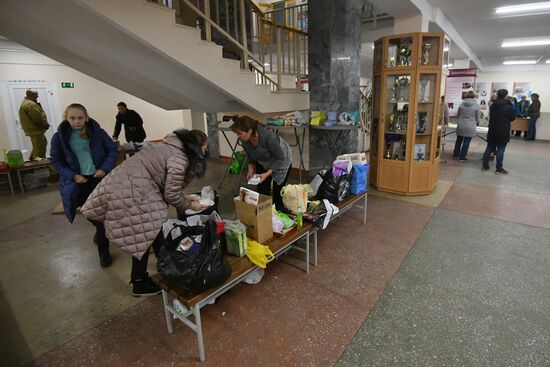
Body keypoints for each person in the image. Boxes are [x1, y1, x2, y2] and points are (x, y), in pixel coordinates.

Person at [81, 129, 209, 296]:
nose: (206, 151)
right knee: (143, 235)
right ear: (197, 146)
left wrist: (185, 197)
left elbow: (165, 182)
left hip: (125, 184)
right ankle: (139, 282)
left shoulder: (169, 146)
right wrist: (189, 205)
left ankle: (166, 265)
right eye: (205, 147)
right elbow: (170, 194)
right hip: (136, 191)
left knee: (152, 229)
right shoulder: (181, 159)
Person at [50, 103, 118, 267]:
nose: (76, 121)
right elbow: (56, 161)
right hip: (78, 182)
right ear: (66, 118)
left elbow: (112, 151)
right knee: (89, 213)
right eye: (72, 118)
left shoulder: (98, 133)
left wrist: (104, 168)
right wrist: (73, 175)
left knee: (101, 217)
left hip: (98, 179)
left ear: (86, 117)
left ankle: (104, 252)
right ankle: (99, 230)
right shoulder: (59, 138)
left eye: (80, 118)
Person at [231, 116, 292, 211]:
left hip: (281, 159)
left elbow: (280, 158)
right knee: (262, 189)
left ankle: (279, 212)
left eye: (240, 133)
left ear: (250, 131)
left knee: (278, 191)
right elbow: (250, 154)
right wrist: (251, 169)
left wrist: (267, 173)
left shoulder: (269, 137)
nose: (239, 136)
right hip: (264, 159)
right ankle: (264, 213)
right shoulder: (245, 140)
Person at [482, 89, 516, 174]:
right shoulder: (509, 106)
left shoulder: (493, 105)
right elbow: (512, 118)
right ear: (506, 96)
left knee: (489, 147)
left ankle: (485, 166)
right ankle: (499, 169)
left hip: (492, 129)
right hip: (503, 130)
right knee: (501, 149)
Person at [19, 89, 50, 160]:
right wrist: (45, 124)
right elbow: (38, 118)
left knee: (38, 146)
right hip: (35, 130)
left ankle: (32, 160)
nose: (37, 96)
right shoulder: (30, 104)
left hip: (33, 130)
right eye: (36, 95)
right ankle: (39, 164)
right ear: (31, 95)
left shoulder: (25, 102)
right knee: (40, 147)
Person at [453, 91, 480, 161]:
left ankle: (456, 154)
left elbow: (458, 115)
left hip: (461, 124)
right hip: (470, 126)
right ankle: (462, 157)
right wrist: (475, 122)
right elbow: (477, 117)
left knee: (459, 140)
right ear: (474, 96)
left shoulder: (461, 104)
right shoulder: (476, 105)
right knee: (466, 141)